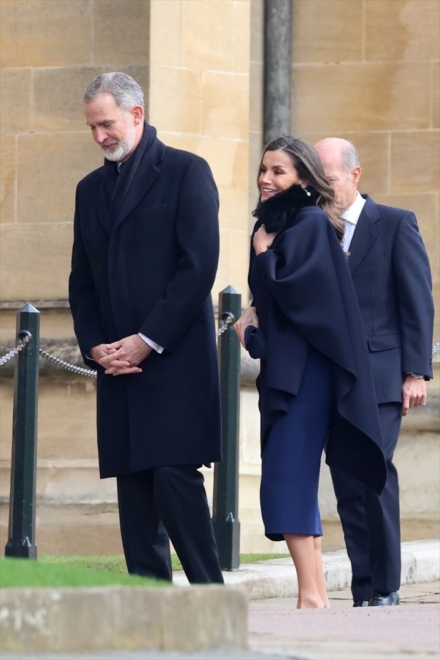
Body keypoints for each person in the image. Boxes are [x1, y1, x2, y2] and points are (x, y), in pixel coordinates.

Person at [69, 72, 223, 585]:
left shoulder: (186, 171)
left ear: (137, 114)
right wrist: (96, 347)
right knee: (134, 496)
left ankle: (210, 600)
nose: (99, 137)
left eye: (106, 124)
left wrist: (147, 339)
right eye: (92, 127)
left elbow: (197, 267)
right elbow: (82, 281)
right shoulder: (88, 190)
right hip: (117, 366)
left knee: (175, 482)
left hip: (173, 360)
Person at [235, 135, 386, 609]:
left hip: (307, 377)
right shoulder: (284, 224)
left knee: (285, 476)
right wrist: (254, 333)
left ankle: (310, 596)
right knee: (293, 475)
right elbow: (273, 314)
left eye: (278, 171)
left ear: (303, 177)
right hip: (293, 371)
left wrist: (262, 260)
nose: (266, 178)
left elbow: (297, 303)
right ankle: (315, 593)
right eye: (264, 169)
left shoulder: (307, 223)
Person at [313, 137, 434, 607]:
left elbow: (417, 302)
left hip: (383, 378)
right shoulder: (315, 230)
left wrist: (416, 373)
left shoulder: (396, 224)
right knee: (345, 483)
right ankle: (363, 587)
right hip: (332, 380)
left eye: (331, 178)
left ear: (355, 174)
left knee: (373, 475)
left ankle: (386, 587)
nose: (324, 188)